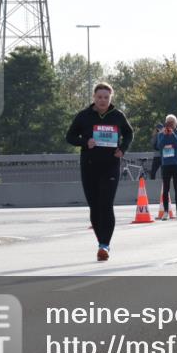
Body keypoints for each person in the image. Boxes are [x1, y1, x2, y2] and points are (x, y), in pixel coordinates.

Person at [65, 83, 134, 261]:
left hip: (110, 165)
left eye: (106, 97)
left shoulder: (117, 116)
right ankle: (101, 242)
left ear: (111, 98)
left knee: (106, 204)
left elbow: (129, 133)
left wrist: (123, 149)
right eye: (99, 97)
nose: (103, 100)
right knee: (94, 206)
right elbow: (70, 137)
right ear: (94, 98)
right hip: (89, 166)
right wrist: (85, 142)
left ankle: (105, 245)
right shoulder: (84, 116)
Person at [155, 115, 177, 220]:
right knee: (166, 189)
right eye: (168, 122)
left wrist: (172, 134)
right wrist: (164, 135)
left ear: (175, 123)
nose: (170, 124)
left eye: (172, 122)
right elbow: (160, 146)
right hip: (166, 164)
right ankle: (166, 212)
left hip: (176, 163)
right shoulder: (161, 134)